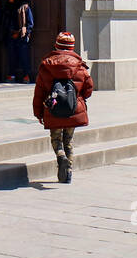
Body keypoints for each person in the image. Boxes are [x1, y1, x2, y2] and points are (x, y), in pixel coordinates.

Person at [32, 30, 93, 184]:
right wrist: (78, 99)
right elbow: (88, 89)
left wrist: (38, 113)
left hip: (53, 109)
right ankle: (69, 172)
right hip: (73, 109)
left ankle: (60, 156)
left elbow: (39, 92)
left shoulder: (46, 66)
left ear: (57, 46)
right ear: (72, 47)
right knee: (69, 140)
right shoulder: (80, 67)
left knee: (56, 138)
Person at [5, 0, 34, 83]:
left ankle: (26, 76)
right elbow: (6, 20)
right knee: (11, 57)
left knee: (24, 57)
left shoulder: (25, 7)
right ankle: (11, 76)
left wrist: (26, 32)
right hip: (11, 36)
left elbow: (30, 22)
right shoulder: (9, 6)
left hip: (22, 36)